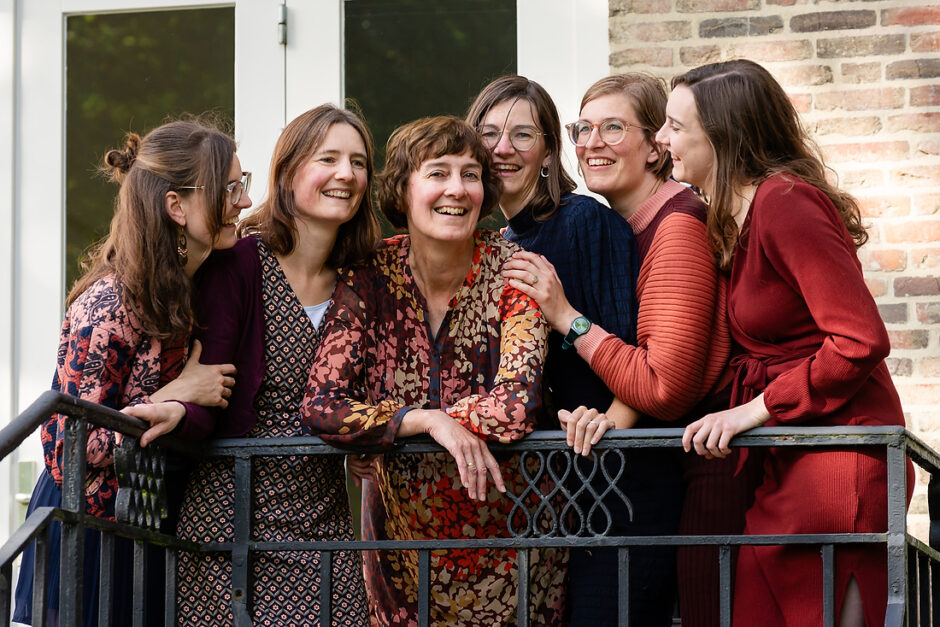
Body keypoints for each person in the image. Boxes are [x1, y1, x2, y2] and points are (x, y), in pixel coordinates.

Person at [666, 59, 915, 627]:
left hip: (838, 455)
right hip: (788, 453)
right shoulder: (735, 216)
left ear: (724, 136)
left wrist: (754, 410)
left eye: (676, 127)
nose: (662, 139)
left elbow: (858, 339)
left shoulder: (786, 202)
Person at [503, 73, 746, 626]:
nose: (592, 143)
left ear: (657, 143)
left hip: (684, 478)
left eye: (613, 127)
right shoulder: (630, 227)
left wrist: (565, 317)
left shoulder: (677, 226)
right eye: (583, 128)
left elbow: (664, 382)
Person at [302, 116, 564, 626]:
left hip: (512, 551)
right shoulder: (369, 276)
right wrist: (424, 421)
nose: (457, 190)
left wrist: (388, 423)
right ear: (403, 188)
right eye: (437, 173)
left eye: (470, 175)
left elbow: (514, 406)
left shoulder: (513, 269)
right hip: (401, 557)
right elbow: (322, 405)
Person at [141, 104, 381, 626]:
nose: (347, 174)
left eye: (359, 162)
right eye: (329, 158)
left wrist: (369, 439)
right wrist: (176, 409)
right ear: (288, 171)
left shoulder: (362, 279)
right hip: (235, 518)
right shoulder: (240, 264)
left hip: (326, 521)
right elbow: (209, 387)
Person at [13, 118, 246, 626]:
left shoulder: (180, 289)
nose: (243, 202)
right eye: (230, 189)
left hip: (136, 522)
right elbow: (72, 442)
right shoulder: (111, 302)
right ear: (177, 207)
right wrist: (181, 390)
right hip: (84, 533)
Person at [466, 75, 646, 623]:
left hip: (614, 473)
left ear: (548, 150)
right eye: (490, 134)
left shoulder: (584, 220)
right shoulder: (498, 243)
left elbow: (637, 344)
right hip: (552, 488)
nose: (504, 149)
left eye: (523, 135)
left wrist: (616, 420)